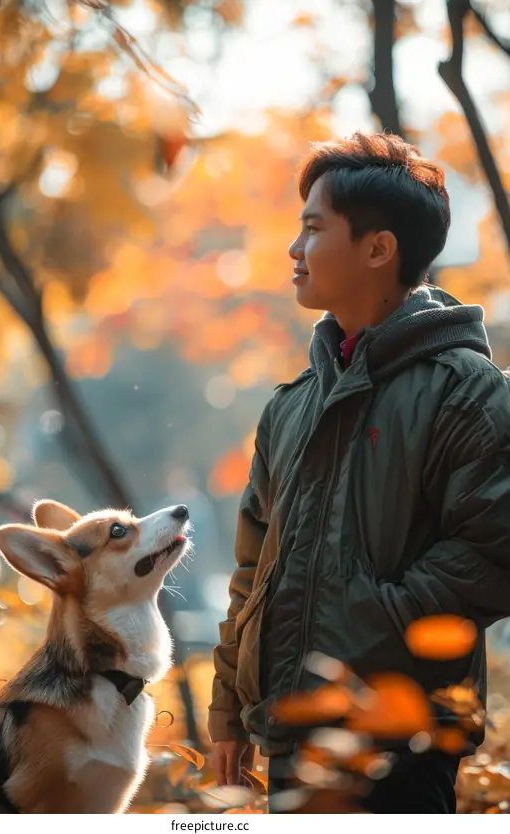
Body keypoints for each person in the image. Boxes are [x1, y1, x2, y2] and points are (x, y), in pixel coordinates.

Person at [208, 132, 510, 814]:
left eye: (314, 228)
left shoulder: (468, 391)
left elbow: (493, 551)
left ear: (379, 248)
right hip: (287, 733)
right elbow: (253, 571)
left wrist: (367, 626)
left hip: (399, 740)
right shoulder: (290, 408)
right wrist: (230, 704)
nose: (294, 249)